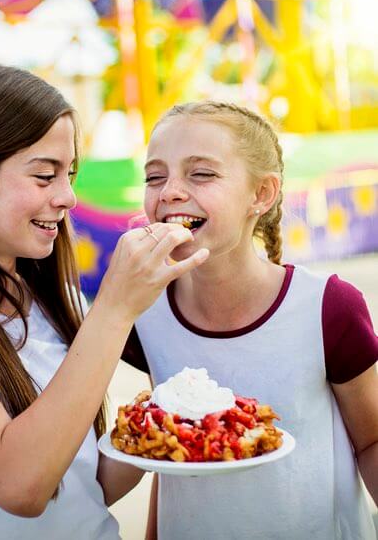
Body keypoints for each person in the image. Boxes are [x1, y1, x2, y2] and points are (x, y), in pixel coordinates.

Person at [0, 64, 210, 540]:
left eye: (70, 174)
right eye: (44, 175)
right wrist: (115, 310)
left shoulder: (60, 302)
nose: (69, 197)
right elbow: (20, 485)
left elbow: (81, 487)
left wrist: (162, 416)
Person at [122, 101, 378, 540]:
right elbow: (171, 458)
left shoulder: (327, 307)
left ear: (261, 194)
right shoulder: (144, 313)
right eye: (154, 175)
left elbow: (372, 441)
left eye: (200, 173)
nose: (169, 191)